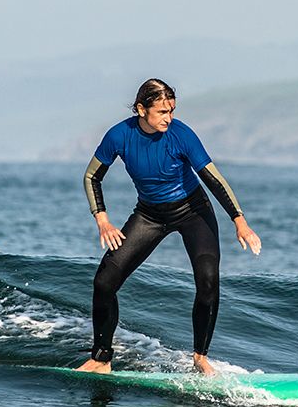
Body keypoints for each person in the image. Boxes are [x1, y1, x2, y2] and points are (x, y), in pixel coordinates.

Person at [76, 78, 261, 376]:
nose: (169, 118)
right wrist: (102, 220)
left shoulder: (182, 135)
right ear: (141, 109)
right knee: (104, 282)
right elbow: (91, 177)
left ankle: (200, 357)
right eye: (162, 112)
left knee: (208, 280)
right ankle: (101, 358)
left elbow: (213, 179)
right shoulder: (119, 136)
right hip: (149, 215)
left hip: (193, 210)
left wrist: (239, 221)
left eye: (171, 110)